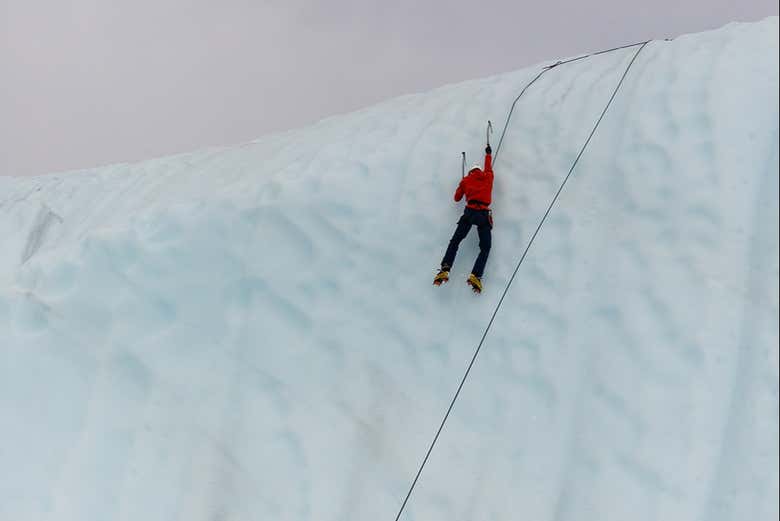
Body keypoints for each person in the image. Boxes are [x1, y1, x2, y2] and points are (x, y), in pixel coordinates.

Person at [434, 144, 494, 292]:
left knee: (455, 241)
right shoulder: (487, 177)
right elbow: (488, 167)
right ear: (479, 170)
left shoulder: (466, 180)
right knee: (485, 248)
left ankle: (445, 268)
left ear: (470, 172)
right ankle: (476, 275)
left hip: (469, 213)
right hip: (483, 214)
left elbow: (456, 198)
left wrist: (462, 184)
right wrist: (488, 153)